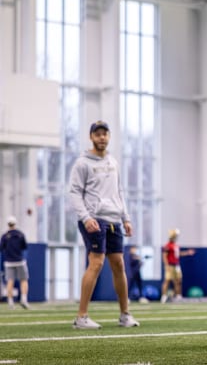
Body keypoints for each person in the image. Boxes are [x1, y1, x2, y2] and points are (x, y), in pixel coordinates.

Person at [68, 120, 140, 329]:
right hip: (94, 219)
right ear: (91, 137)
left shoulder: (113, 162)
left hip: (114, 220)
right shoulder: (82, 163)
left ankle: (125, 315)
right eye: (97, 134)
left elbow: (119, 191)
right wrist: (86, 218)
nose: (101, 137)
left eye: (105, 134)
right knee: (97, 263)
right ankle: (81, 317)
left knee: (119, 265)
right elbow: (74, 193)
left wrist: (125, 218)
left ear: (109, 137)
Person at [0, 216, 30, 309]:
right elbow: (24, 247)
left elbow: (1, 248)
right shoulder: (20, 234)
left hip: (9, 262)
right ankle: (24, 299)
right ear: (15, 223)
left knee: (10, 281)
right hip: (20, 261)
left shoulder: (4, 236)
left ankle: (10, 302)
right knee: (24, 280)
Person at [161, 228, 195, 303]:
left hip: (176, 265)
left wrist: (187, 253)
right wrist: (166, 266)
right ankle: (163, 296)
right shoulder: (168, 245)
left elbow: (178, 254)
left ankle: (178, 295)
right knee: (167, 280)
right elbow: (164, 256)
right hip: (170, 265)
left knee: (178, 281)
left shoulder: (176, 246)